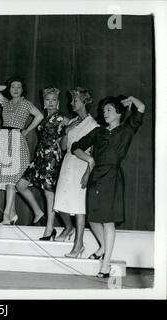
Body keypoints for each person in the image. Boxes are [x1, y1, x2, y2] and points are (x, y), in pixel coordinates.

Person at [71, 95, 145, 277]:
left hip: (112, 177)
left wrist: (129, 100)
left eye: (109, 110)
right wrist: (89, 159)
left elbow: (141, 107)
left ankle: (105, 265)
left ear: (119, 113)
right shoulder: (98, 132)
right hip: (96, 176)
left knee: (108, 221)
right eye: (103, 110)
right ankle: (103, 247)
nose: (105, 113)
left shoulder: (127, 129)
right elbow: (76, 146)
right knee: (93, 219)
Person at [0, 78, 44, 225]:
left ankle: (6, 214)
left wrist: (27, 130)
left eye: (19, 87)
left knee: (12, 180)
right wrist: (7, 87)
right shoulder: (5, 102)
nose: (16, 89)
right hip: (4, 139)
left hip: (17, 139)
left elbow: (40, 116)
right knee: (8, 180)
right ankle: (13, 214)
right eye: (13, 87)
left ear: (23, 89)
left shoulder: (26, 103)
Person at [16, 87, 69, 239]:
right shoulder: (44, 117)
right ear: (44, 103)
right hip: (40, 156)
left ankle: (49, 228)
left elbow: (69, 128)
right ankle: (39, 213)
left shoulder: (61, 118)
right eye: (48, 100)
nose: (50, 102)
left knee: (48, 192)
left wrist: (63, 137)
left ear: (58, 103)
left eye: (53, 100)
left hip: (51, 157)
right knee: (21, 185)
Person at [53, 87, 98, 257]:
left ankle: (78, 245)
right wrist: (66, 131)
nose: (71, 103)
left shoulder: (93, 125)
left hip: (82, 166)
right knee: (60, 202)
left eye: (75, 100)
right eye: (72, 100)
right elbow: (64, 147)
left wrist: (88, 173)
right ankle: (68, 227)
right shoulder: (73, 121)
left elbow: (93, 152)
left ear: (84, 102)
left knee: (79, 207)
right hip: (68, 164)